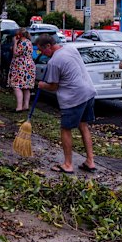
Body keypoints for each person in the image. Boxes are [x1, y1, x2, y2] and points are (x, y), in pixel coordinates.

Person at [35, 34, 97, 174]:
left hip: (74, 97)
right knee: (83, 125)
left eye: (41, 50)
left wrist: (41, 85)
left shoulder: (54, 62)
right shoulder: (71, 49)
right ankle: (90, 161)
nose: (41, 54)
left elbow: (53, 86)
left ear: (49, 46)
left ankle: (68, 164)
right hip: (88, 92)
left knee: (65, 129)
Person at [8, 28, 36, 112]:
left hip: (20, 66)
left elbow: (16, 53)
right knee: (26, 87)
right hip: (29, 65)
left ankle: (19, 107)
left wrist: (15, 43)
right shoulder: (29, 42)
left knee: (16, 86)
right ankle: (26, 105)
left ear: (19, 35)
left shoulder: (22, 43)